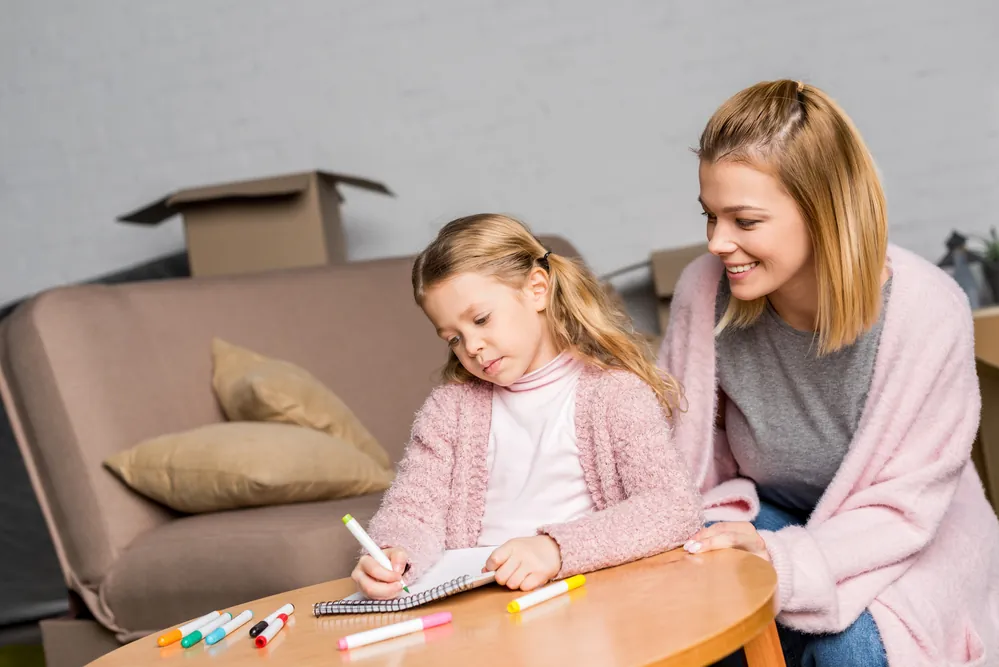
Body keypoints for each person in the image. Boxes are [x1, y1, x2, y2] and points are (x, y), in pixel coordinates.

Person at [660, 79, 999, 666]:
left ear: (822, 209)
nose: (717, 242)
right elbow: (676, 457)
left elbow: (904, 508)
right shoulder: (703, 291)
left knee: (854, 650)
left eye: (744, 220)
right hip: (770, 514)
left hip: (912, 536)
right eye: (709, 215)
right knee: (698, 596)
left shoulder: (926, 309)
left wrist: (783, 563)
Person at [352, 213, 703, 598]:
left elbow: (672, 507)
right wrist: (393, 552)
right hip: (479, 601)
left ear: (537, 288)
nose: (471, 347)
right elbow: (412, 510)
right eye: (453, 338)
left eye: (482, 319)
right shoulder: (450, 409)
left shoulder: (614, 393)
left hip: (582, 593)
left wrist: (555, 548)